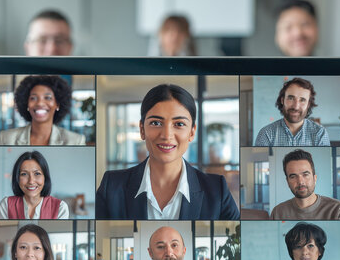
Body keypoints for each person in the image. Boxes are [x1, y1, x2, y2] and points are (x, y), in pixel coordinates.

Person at [96, 84, 240, 220]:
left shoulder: (216, 190)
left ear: (192, 132)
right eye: (156, 123)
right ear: (142, 129)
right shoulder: (112, 186)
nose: (166, 135)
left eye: (179, 124)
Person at [0, 75, 84, 145]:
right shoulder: (6, 138)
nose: (40, 103)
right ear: (26, 103)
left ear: (57, 104)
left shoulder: (75, 141)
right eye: (33, 98)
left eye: (47, 98)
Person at [271, 149, 340, 220]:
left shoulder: (338, 209)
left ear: (315, 178)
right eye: (293, 176)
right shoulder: (278, 212)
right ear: (287, 182)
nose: (300, 182)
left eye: (305, 174)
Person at [255, 77, 329, 146]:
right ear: (282, 100)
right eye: (291, 98)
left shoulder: (320, 133)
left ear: (308, 104)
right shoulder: (266, 133)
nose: (296, 106)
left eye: (302, 100)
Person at [0, 151, 69, 219]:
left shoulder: (60, 207)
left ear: (45, 177)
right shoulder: (6, 205)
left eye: (37, 174)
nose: (31, 181)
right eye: (24, 174)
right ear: (17, 178)